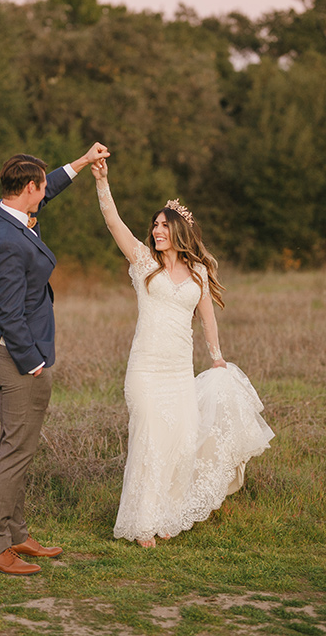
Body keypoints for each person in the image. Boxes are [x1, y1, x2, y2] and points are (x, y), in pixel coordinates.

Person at [91, 158, 274, 548]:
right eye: (154, 225)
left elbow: (207, 317)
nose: (156, 230)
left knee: (178, 442)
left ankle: (167, 514)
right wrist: (102, 183)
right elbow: (112, 222)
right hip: (145, 370)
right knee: (149, 438)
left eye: (163, 225)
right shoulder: (143, 262)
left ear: (178, 231)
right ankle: (142, 523)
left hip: (178, 372)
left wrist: (217, 357)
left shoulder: (197, 273)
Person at [0, 142, 109, 575]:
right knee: (14, 452)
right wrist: (32, 361)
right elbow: (10, 314)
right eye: (40, 188)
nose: (44, 193)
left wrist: (84, 161)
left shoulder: (0, 211)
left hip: (24, 352)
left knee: (22, 449)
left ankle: (15, 534)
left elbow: (48, 184)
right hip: (17, 358)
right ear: (27, 188)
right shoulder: (5, 243)